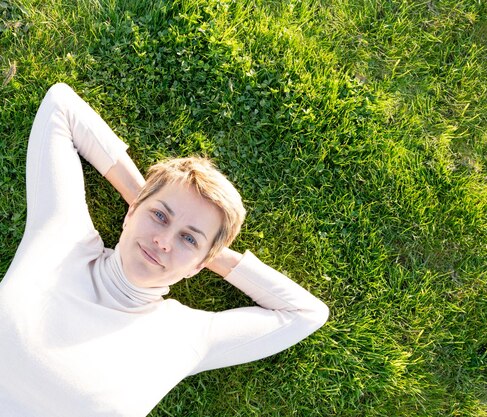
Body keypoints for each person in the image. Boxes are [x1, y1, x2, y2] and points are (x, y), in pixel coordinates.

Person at [0, 83, 329, 416]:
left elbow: (306, 314)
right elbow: (60, 105)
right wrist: (143, 198)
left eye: (189, 238)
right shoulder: (63, 237)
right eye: (159, 216)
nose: (164, 241)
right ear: (131, 212)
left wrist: (210, 253)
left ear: (200, 265)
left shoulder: (186, 336)